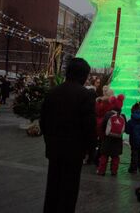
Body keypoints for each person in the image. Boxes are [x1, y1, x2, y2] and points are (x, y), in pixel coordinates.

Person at [40, 57, 96, 213]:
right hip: (74, 151)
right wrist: (91, 150)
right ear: (84, 76)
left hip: (54, 149)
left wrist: (49, 140)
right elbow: (89, 126)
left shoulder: (52, 93)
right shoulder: (85, 95)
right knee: (69, 190)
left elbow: (43, 121)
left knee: (53, 186)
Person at [97, 94, 126, 176]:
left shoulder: (108, 114)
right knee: (115, 157)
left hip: (107, 139)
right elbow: (125, 128)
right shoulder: (122, 116)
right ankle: (114, 171)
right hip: (117, 140)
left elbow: (103, 126)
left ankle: (101, 171)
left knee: (104, 156)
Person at [126, 102, 140, 173]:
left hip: (133, 140)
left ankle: (133, 168)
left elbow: (127, 131)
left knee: (134, 154)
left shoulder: (131, 121)